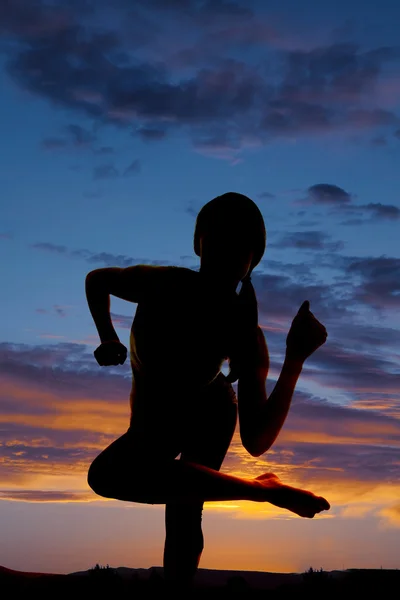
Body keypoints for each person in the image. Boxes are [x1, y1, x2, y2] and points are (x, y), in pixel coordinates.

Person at [85, 192, 330, 592]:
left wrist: (296, 358)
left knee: (181, 510)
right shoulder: (162, 284)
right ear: (199, 242)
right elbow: (98, 280)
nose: (228, 254)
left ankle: (257, 498)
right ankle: (261, 490)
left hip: (211, 414)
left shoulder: (245, 334)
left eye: (241, 247)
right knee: (127, 483)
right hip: (153, 426)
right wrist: (107, 337)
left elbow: (256, 438)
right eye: (219, 239)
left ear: (252, 260)